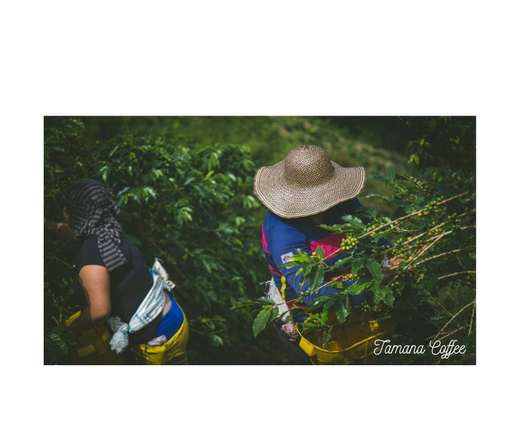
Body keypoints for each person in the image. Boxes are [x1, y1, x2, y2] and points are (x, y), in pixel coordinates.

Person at [254, 145, 403, 364]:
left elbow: (373, 238)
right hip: (312, 318)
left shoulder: (344, 204)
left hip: (355, 298)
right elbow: (312, 294)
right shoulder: (282, 230)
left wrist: (393, 258)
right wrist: (374, 281)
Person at [44, 178, 189, 364]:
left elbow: (98, 312)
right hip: (172, 320)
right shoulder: (108, 229)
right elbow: (74, 232)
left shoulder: (91, 255)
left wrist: (73, 328)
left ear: (73, 213)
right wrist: (45, 225)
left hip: (157, 342)